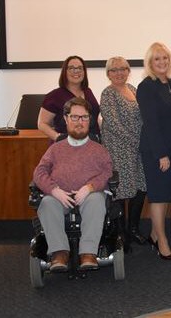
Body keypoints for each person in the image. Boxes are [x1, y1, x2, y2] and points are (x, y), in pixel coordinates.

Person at [33, 97, 113, 271]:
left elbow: (107, 173)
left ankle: (88, 253)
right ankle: (59, 252)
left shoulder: (99, 150)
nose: (79, 122)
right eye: (75, 117)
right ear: (66, 119)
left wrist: (89, 187)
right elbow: (39, 173)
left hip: (88, 196)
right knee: (47, 203)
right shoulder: (55, 149)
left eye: (84, 117)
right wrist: (54, 190)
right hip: (60, 196)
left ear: (89, 120)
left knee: (96, 201)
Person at [136, 42, 171, 260]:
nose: (162, 62)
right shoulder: (146, 86)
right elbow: (151, 123)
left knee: (166, 195)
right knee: (158, 195)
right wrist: (161, 154)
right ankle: (162, 241)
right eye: (157, 59)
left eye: (165, 58)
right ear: (150, 62)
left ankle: (155, 233)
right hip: (157, 149)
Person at [100, 57, 147, 248]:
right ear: (108, 74)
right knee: (119, 191)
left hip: (137, 149)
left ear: (128, 71)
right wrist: (134, 141)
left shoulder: (134, 90)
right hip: (118, 149)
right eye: (114, 70)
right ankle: (120, 235)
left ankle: (133, 229)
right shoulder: (108, 93)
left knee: (140, 187)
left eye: (123, 69)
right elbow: (111, 122)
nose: (119, 73)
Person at [38, 56, 101, 142]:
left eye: (79, 68)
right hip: (67, 145)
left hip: (91, 143)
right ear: (65, 72)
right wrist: (58, 137)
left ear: (84, 72)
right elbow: (42, 124)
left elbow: (94, 116)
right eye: (71, 68)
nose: (76, 71)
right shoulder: (54, 95)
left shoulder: (88, 91)